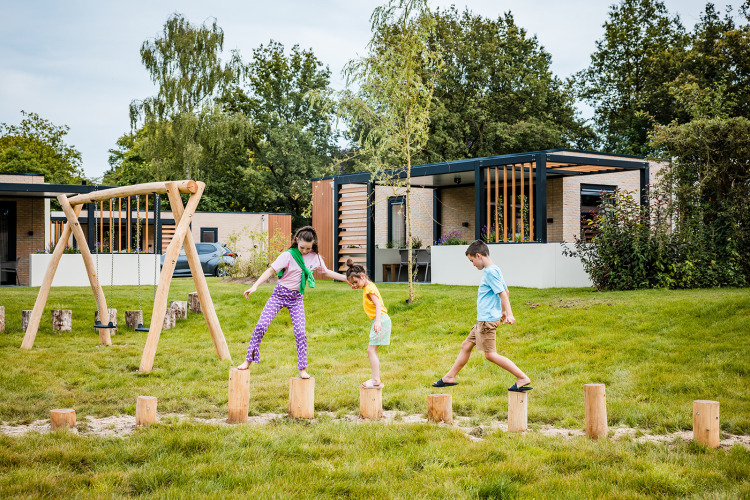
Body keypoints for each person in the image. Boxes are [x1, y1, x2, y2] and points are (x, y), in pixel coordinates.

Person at [237, 226, 347, 378]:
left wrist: (346, 278)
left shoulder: (315, 257)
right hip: (279, 295)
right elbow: (270, 271)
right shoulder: (288, 255)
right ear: (297, 241)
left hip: (296, 299)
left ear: (313, 244)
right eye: (302, 247)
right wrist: (254, 286)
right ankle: (248, 361)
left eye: (308, 248)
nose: (304, 251)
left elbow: (326, 272)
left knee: (301, 333)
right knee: (261, 326)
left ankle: (302, 369)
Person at [432, 239, 532, 392]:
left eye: (472, 260)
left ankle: (522, 377)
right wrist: (503, 312)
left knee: (490, 355)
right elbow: (507, 291)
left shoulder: (490, 272)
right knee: (466, 345)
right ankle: (450, 377)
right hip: (482, 321)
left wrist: (509, 313)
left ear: (479, 256)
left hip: (486, 322)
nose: (472, 264)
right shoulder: (495, 269)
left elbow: (503, 294)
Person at [345, 258, 391, 389]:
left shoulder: (369, 289)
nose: (354, 285)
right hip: (380, 319)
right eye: (352, 284)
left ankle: (376, 380)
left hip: (380, 319)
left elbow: (378, 305)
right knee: (371, 350)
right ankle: (375, 379)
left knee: (371, 351)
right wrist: (355, 283)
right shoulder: (368, 286)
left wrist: (377, 322)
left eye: (355, 282)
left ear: (363, 276)